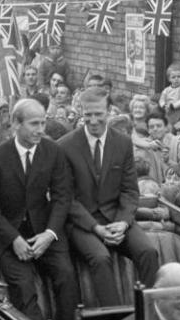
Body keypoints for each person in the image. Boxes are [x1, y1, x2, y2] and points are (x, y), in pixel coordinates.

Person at [0, 98, 79, 320]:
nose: (40, 130)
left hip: (45, 233)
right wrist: (14, 240)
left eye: (43, 123)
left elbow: (63, 196)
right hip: (8, 237)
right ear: (15, 124)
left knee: (66, 277)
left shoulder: (53, 151)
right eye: (34, 124)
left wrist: (50, 234)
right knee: (23, 288)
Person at [59, 89, 159, 306]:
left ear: (109, 112)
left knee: (148, 252)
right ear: (80, 113)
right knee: (101, 258)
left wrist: (123, 222)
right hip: (82, 223)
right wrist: (96, 228)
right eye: (88, 115)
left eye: (98, 114)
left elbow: (130, 191)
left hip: (117, 217)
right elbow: (65, 197)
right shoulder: (65, 146)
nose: (93, 121)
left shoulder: (122, 143)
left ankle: (147, 313)